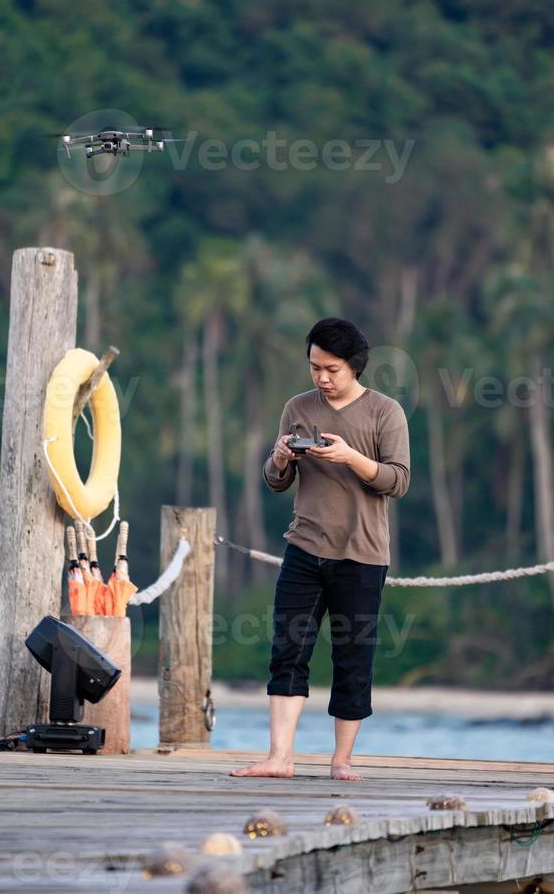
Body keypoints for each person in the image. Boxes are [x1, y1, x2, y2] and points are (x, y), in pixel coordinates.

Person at [230, 317, 410, 781]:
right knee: (287, 651)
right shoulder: (297, 407)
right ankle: (279, 758)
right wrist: (281, 456)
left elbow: (399, 481)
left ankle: (342, 760)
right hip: (304, 548)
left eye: (331, 369)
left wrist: (350, 456)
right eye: (314, 368)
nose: (322, 378)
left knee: (353, 657)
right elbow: (276, 482)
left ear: (355, 366)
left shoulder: (385, 412)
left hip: (363, 555)